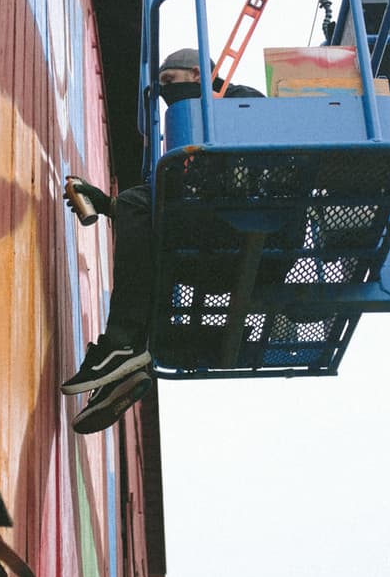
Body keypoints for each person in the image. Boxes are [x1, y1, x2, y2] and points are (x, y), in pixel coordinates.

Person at [63, 48, 263, 434]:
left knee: (145, 208)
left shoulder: (240, 100)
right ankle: (124, 367)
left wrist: (132, 203)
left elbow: (248, 170)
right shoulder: (187, 139)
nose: (166, 93)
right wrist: (110, 206)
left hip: (255, 230)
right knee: (152, 237)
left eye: (170, 82)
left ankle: (122, 345)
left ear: (196, 72)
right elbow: (162, 201)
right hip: (220, 245)